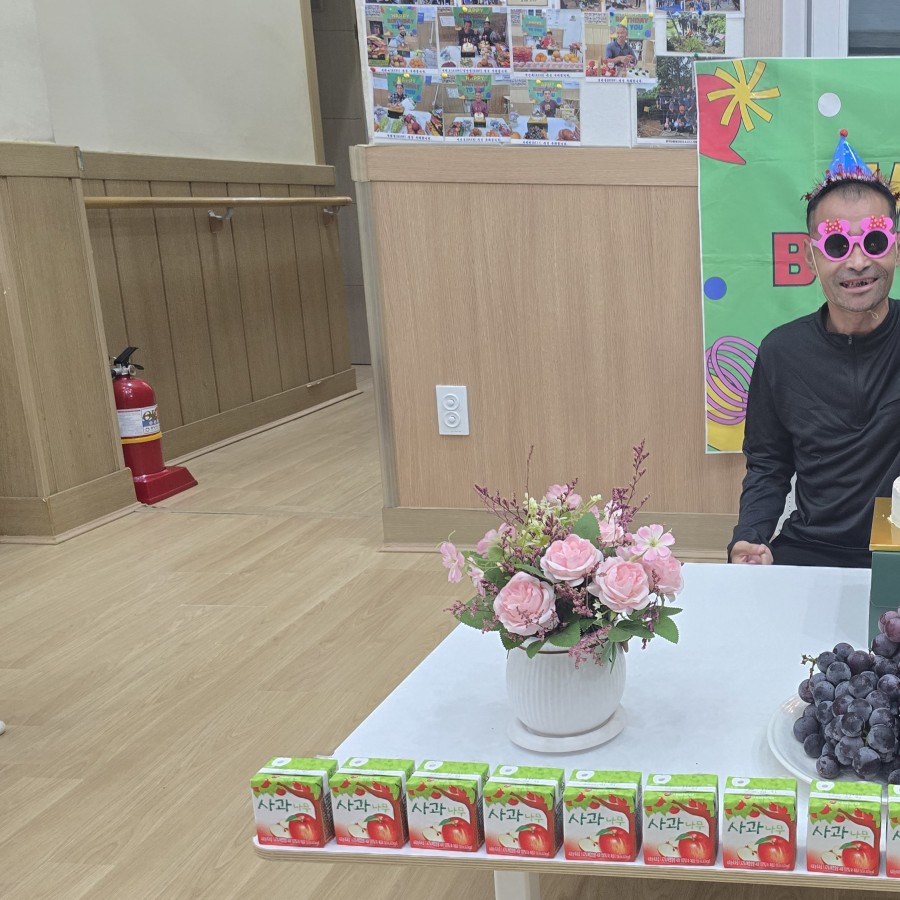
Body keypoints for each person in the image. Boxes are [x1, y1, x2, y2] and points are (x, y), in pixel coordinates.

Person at [729, 130, 900, 568]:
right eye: (838, 245)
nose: (858, 262)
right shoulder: (781, 351)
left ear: (895, 248)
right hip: (810, 548)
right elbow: (768, 464)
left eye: (874, 241)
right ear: (810, 257)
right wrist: (750, 537)